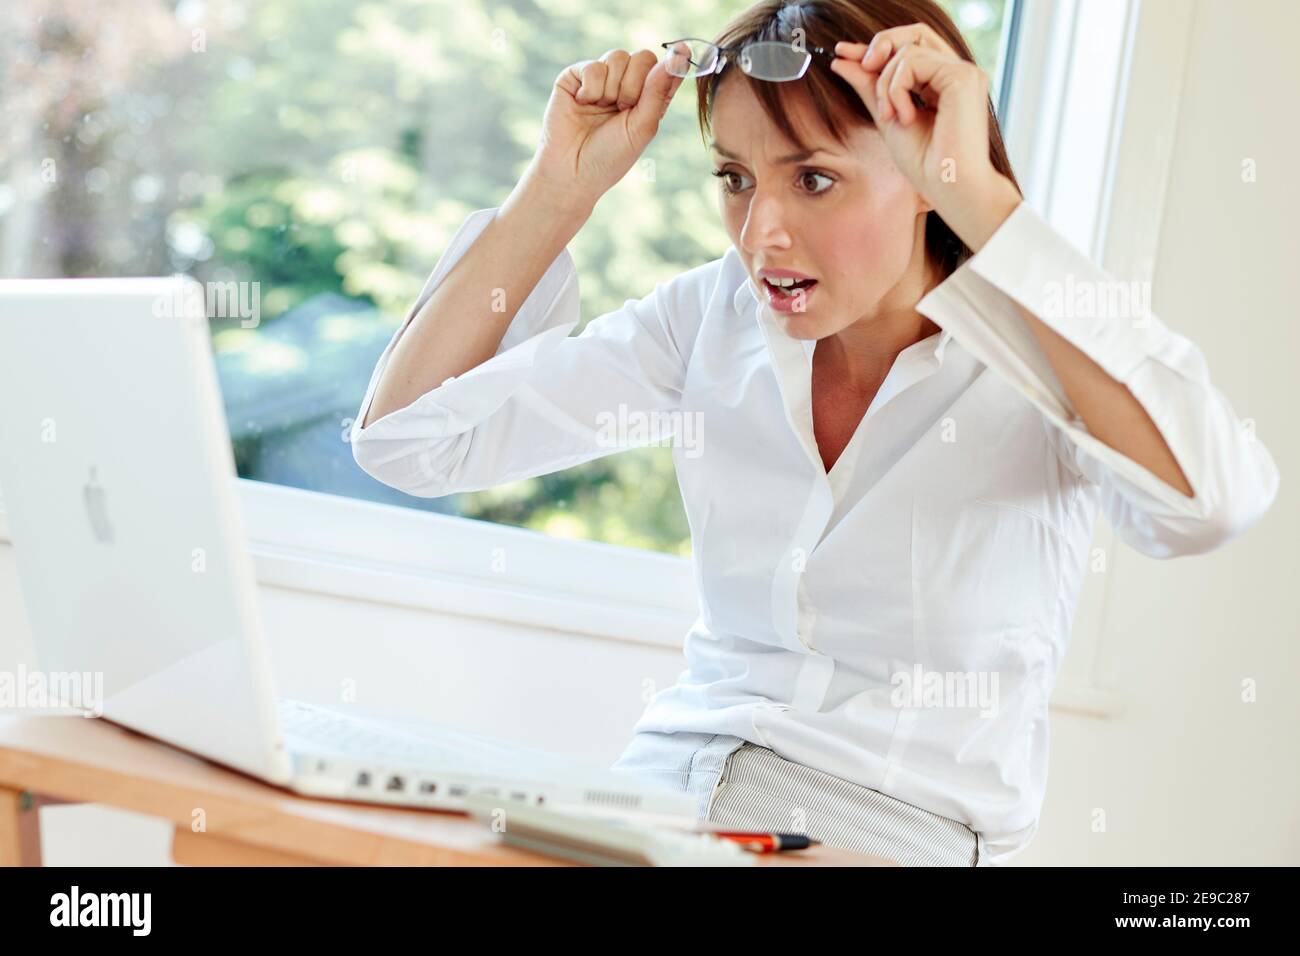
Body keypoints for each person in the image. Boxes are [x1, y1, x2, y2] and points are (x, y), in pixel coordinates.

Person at [349, 0, 1280, 866]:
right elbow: (411, 442)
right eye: (735, 179)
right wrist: (558, 190)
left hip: (884, 834)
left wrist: (982, 199)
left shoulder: (1042, 349)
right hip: (656, 802)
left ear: (926, 175)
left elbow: (1208, 505)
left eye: (816, 180)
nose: (763, 234)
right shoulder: (712, 315)